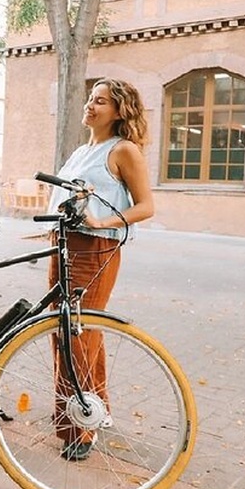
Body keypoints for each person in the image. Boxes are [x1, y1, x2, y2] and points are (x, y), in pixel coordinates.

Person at [46, 78, 154, 461]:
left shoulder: (124, 150)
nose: (91, 106)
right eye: (91, 99)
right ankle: (94, 407)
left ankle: (79, 429)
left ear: (119, 110)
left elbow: (145, 207)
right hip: (62, 245)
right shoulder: (81, 150)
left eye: (101, 101)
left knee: (76, 336)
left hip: (95, 249)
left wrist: (101, 223)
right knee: (69, 332)